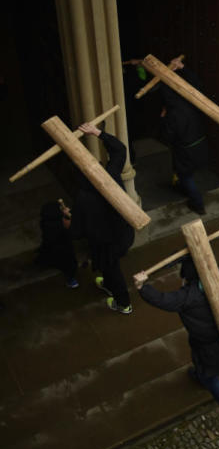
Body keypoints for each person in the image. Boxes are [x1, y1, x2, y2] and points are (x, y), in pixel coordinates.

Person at [133, 213, 219, 431]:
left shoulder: (186, 297)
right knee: (204, 365)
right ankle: (199, 373)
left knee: (209, 376)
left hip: (209, 346)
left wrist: (142, 287)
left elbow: (161, 299)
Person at [71, 123, 136, 314]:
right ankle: (108, 284)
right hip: (123, 233)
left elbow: (76, 232)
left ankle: (123, 304)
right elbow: (119, 150)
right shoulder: (111, 176)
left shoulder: (84, 199)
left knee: (112, 269)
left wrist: (68, 219)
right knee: (108, 268)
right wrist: (97, 132)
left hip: (107, 244)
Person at [158, 58, 209, 215]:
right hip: (200, 144)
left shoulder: (172, 114)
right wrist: (183, 68)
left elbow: (168, 136)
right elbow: (196, 85)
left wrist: (163, 119)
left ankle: (198, 204)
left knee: (185, 176)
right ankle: (182, 185)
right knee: (187, 172)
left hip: (186, 151)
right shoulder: (191, 100)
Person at [35, 200, 78, 288]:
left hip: (51, 247)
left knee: (48, 256)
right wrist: (68, 217)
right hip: (63, 250)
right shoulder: (60, 226)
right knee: (69, 265)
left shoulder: (46, 223)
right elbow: (72, 230)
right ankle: (71, 280)